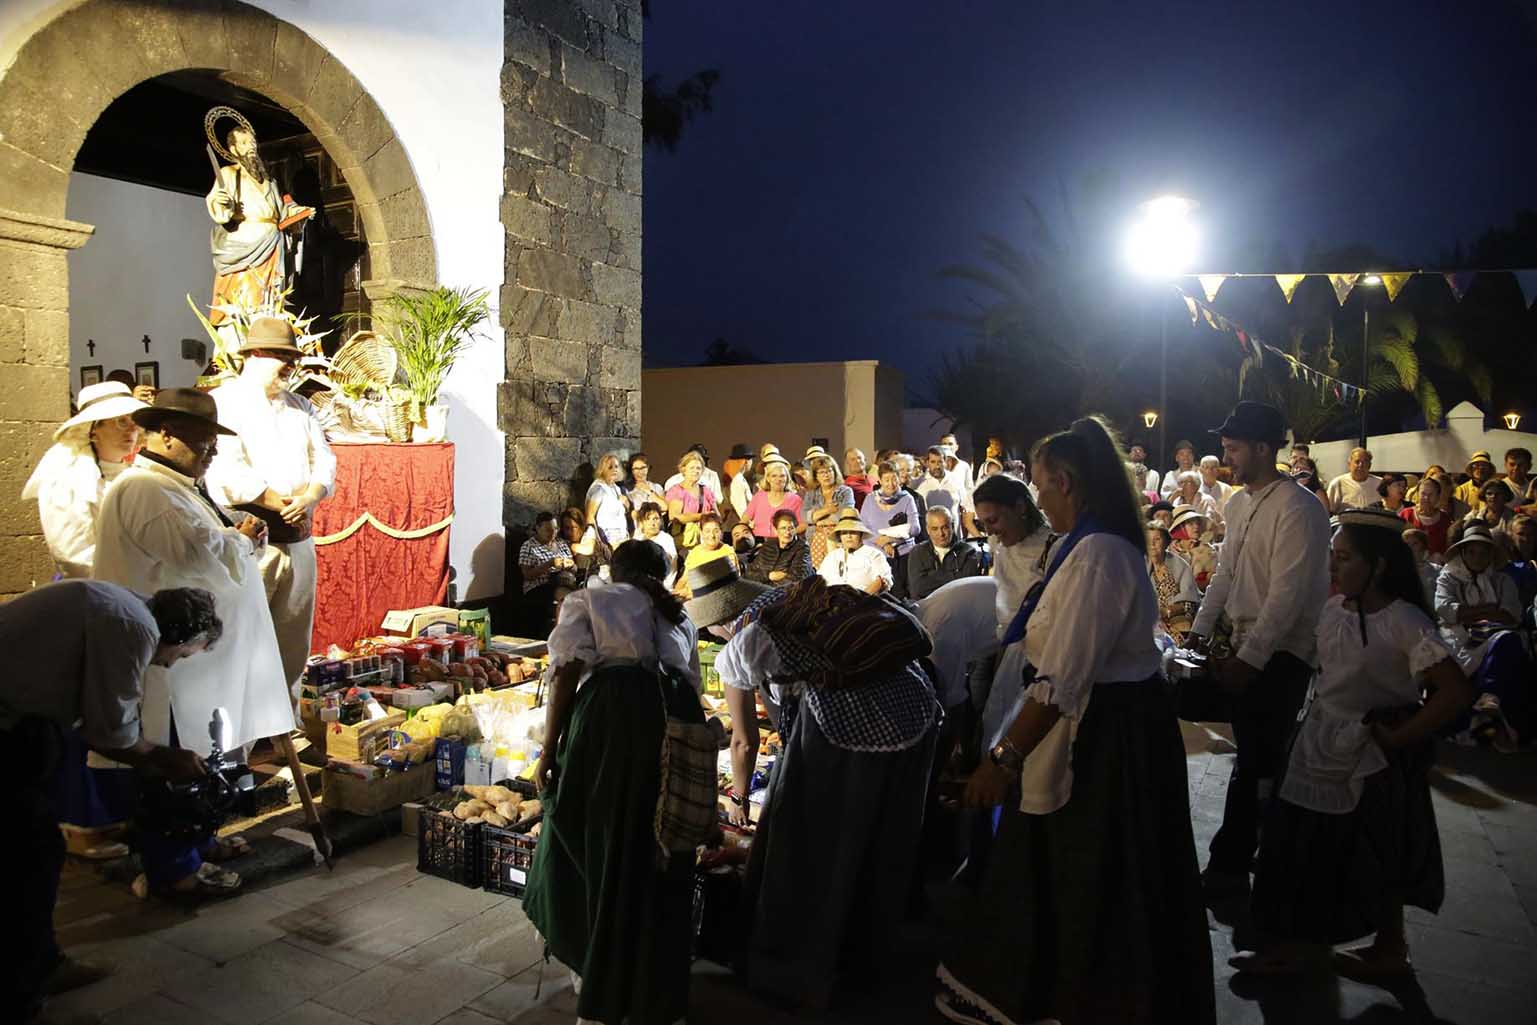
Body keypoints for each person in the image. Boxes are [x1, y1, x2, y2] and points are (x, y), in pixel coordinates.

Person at [936, 415, 1214, 1025]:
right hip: (1103, 723)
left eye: (1037, 486)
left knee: (1094, 874)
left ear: (1064, 482)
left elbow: (1063, 678)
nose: (1035, 499)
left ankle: (1078, 995)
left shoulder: (1099, 555)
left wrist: (1003, 760)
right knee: (1073, 870)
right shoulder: (1085, 546)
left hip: (1106, 738)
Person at [1232, 510, 1474, 979]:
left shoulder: (1402, 620)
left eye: (1343, 558)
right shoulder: (1333, 609)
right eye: (1332, 557)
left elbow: (1455, 691)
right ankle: (1309, 943)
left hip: (1367, 753)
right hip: (1319, 739)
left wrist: (1400, 736)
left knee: (1368, 852)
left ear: (1379, 566)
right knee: (1304, 845)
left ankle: (1372, 948)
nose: (1332, 567)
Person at [94, 389, 294, 896]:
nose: (210, 452)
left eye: (212, 443)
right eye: (200, 442)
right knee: (177, 763)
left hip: (205, 661)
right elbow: (193, 553)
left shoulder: (182, 487)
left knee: (208, 757)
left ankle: (199, 842)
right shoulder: (144, 487)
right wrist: (243, 538)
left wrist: (239, 535)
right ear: (163, 433)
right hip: (174, 666)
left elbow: (211, 542)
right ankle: (174, 870)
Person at [707, 571, 938, 1010]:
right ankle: (865, 954)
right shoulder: (800, 601)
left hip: (847, 736)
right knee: (880, 840)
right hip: (916, 709)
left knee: (814, 846)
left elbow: (743, 741)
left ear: (720, 621)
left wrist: (739, 799)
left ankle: (796, 970)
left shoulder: (746, 640)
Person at [4, 582, 221, 1023]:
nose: (170, 664)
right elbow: (112, 732)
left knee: (36, 851)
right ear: (179, 638)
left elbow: (101, 713)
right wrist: (164, 758)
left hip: (22, 720)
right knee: (28, 855)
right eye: (182, 656)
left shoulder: (129, 605)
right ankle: (22, 994)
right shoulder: (133, 627)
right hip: (8, 725)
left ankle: (43, 965)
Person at [524, 540, 700, 1025]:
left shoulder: (591, 600)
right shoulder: (678, 616)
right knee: (652, 849)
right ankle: (652, 992)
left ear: (616, 570)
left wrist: (549, 749)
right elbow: (690, 686)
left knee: (596, 839)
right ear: (662, 574)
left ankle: (599, 981)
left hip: (608, 722)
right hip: (666, 724)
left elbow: (565, 673)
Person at [1188, 401, 1331, 901]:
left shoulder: (1300, 507)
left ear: (1264, 448)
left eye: (1233, 448)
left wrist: (1251, 659)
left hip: (1285, 650)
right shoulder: (1238, 503)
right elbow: (1226, 574)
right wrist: (1199, 632)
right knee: (1253, 758)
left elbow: (1287, 596)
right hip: (1245, 640)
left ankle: (1240, 868)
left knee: (1257, 762)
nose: (1226, 457)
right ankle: (1245, 857)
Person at [205, 317, 335, 699]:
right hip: (251, 537)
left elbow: (325, 460)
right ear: (256, 355)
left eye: (292, 358)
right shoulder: (223, 402)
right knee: (243, 636)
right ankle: (240, 742)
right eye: (283, 357)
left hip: (299, 536)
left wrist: (310, 497)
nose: (290, 366)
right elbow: (227, 469)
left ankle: (285, 725)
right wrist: (277, 503)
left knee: (293, 638)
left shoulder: (301, 407)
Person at [23, 382, 147, 579]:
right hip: (99, 590)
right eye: (121, 421)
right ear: (93, 429)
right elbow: (74, 556)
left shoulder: (133, 472)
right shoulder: (70, 476)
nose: (131, 429)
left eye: (134, 421)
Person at [204, 124, 312, 330]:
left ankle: (267, 326)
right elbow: (219, 204)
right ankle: (244, 330)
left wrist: (299, 212)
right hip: (246, 242)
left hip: (272, 243)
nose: (251, 147)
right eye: (244, 143)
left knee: (269, 296)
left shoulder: (269, 181)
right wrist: (223, 203)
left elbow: (280, 211)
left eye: (253, 143)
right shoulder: (229, 174)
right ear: (234, 149)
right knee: (245, 290)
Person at [973, 474, 1053, 747]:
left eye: (994, 520)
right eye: (983, 524)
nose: (990, 531)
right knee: (997, 719)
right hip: (1008, 644)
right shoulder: (1000, 544)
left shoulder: (1051, 546)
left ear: (1019, 508)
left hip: (1043, 653)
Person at [1435, 523, 1529, 752]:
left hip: (1495, 637)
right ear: (1463, 552)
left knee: (1508, 640)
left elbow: (1512, 614)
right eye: (1472, 551)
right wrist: (1488, 610)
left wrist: (1468, 612)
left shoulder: (1501, 580)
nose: (1478, 557)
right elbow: (1446, 610)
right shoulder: (1448, 578)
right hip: (1458, 638)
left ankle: (1489, 698)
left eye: (1484, 551)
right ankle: (1479, 722)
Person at [860, 460, 923, 591]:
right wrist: (883, 543)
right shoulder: (870, 499)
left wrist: (891, 539)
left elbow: (915, 528)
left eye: (894, 478)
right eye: (886, 479)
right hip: (875, 556)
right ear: (880, 481)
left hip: (903, 555)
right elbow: (863, 528)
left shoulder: (907, 498)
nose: (891, 483)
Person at [906, 506, 984, 600]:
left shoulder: (968, 552)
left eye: (945, 527)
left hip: (959, 608)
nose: (941, 534)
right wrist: (954, 576)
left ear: (952, 526)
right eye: (935, 529)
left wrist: (931, 576)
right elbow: (918, 589)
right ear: (928, 530)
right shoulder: (917, 552)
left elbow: (967, 588)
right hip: (927, 610)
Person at [518, 512, 576, 636]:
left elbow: (574, 568)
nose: (553, 533)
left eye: (555, 529)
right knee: (566, 593)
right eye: (548, 530)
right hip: (539, 587)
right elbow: (527, 575)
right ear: (538, 528)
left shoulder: (561, 544)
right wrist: (549, 564)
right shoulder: (528, 546)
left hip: (564, 581)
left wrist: (570, 565)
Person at [817, 509, 893, 594]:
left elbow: (883, 580)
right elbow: (819, 581)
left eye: (853, 532)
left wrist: (861, 600)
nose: (849, 536)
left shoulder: (873, 554)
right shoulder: (832, 556)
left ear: (860, 534)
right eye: (845, 533)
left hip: (865, 602)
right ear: (840, 536)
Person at [1148, 521, 1201, 642]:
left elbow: (1189, 604)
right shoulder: (1140, 565)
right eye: (1148, 540)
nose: (1152, 544)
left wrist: (1166, 612)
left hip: (1177, 619)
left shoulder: (1180, 566)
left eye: (1157, 539)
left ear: (1166, 543)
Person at [801, 454, 857, 567]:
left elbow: (845, 515)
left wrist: (818, 518)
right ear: (816, 476)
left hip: (839, 538)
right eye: (822, 472)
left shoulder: (845, 492)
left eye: (829, 471)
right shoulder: (811, 494)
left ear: (835, 472)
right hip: (815, 538)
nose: (826, 475)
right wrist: (828, 510)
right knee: (819, 576)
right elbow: (805, 517)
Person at [666, 448, 720, 555]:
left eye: (698, 468)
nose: (696, 471)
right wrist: (702, 516)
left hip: (706, 540)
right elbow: (674, 517)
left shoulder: (706, 490)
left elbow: (717, 515)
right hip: (685, 542)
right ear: (683, 469)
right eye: (692, 468)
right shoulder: (677, 491)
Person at [743, 508, 812, 585]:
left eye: (791, 528)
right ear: (776, 530)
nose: (787, 532)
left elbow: (798, 579)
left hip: (783, 594)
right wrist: (768, 576)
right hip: (760, 590)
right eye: (783, 528)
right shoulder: (768, 545)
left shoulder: (802, 548)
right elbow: (749, 575)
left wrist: (770, 589)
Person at [917, 445, 976, 536]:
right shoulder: (920, 484)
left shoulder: (956, 480)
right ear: (927, 463)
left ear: (945, 462)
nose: (937, 466)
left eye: (940, 461)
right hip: (931, 539)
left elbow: (966, 507)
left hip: (955, 536)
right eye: (933, 462)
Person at [742, 455, 802, 539]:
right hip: (759, 543)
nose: (778, 479)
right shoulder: (759, 497)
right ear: (768, 479)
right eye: (774, 476)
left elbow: (803, 524)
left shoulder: (795, 499)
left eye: (782, 476)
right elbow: (744, 521)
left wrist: (788, 533)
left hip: (784, 543)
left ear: (787, 479)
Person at [680, 511, 737, 593]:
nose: (712, 535)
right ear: (701, 532)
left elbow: (729, 583)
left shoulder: (728, 551)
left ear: (721, 532)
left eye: (716, 531)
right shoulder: (695, 552)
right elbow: (684, 579)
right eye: (707, 531)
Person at [583, 451, 631, 548]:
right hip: (607, 538)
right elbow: (590, 516)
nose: (614, 470)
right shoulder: (599, 488)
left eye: (616, 467)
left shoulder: (616, 488)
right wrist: (599, 541)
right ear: (603, 469)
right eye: (610, 467)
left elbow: (624, 511)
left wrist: (626, 503)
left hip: (622, 535)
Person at [626, 501, 678, 587]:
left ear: (660, 521)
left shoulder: (666, 539)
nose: (652, 523)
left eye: (655, 519)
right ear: (641, 523)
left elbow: (667, 560)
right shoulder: (638, 538)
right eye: (647, 519)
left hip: (662, 588)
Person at [1399, 473, 1452, 556]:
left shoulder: (1445, 519)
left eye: (1431, 495)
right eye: (1423, 494)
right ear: (1417, 494)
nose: (1426, 498)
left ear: (1438, 496)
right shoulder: (1405, 514)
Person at [1169, 505, 1217, 589]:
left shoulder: (1208, 551)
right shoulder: (1169, 551)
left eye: (1197, 523)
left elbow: (1212, 581)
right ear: (1181, 527)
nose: (1196, 526)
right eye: (1190, 523)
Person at [1327, 447, 1382, 513]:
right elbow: (1328, 511)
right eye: (1357, 462)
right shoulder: (1337, 483)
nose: (1360, 465)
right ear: (1349, 464)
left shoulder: (1380, 484)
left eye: (1365, 462)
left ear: (1369, 465)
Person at [625, 452, 666, 530]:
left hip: (656, 529)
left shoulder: (656, 487)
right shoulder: (627, 490)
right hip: (638, 529)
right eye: (636, 469)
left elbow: (664, 507)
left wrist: (649, 491)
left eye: (643, 468)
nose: (640, 472)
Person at [1403, 528, 1442, 606]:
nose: (1410, 548)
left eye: (1415, 543)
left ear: (1423, 545)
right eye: (1407, 544)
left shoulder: (1437, 571)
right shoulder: (1398, 573)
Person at [1454, 450, 1497, 517]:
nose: (1480, 468)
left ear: (1489, 469)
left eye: (1484, 465)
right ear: (1471, 468)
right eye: (1476, 465)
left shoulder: (1496, 489)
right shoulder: (1461, 490)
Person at [1503, 447, 1536, 514]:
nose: (1516, 468)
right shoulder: (1499, 487)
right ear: (1505, 465)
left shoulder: (1534, 487)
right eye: (1512, 464)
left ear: (1529, 466)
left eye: (1521, 465)